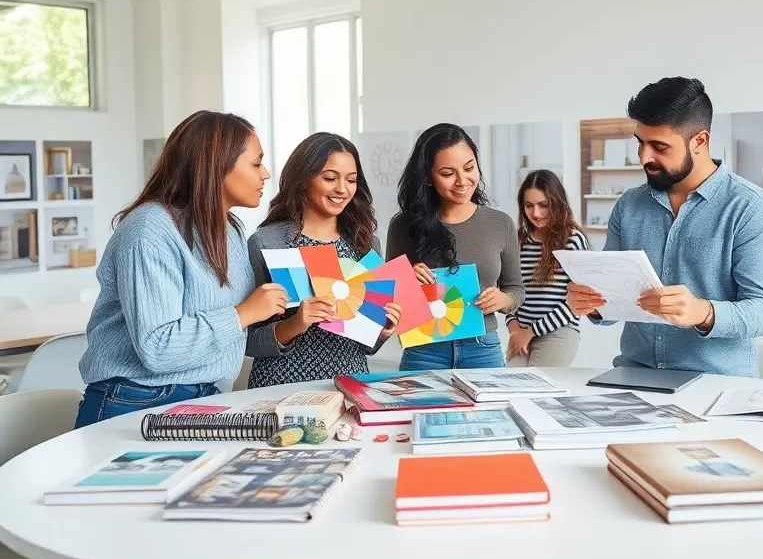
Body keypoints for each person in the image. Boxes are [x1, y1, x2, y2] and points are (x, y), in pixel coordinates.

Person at [75, 110, 289, 430]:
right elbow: (158, 349)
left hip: (205, 399)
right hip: (135, 400)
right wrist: (243, 313)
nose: (266, 174)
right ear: (217, 166)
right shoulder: (149, 229)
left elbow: (234, 333)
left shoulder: (230, 230)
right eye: (256, 164)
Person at [566, 77, 763, 377]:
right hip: (634, 377)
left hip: (716, 384)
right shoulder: (628, 205)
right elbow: (612, 300)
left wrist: (702, 312)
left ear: (700, 141)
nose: (644, 157)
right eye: (641, 143)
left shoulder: (751, 208)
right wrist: (591, 303)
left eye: (659, 146)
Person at [246, 132, 402, 386]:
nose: (342, 189)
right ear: (303, 179)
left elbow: (366, 345)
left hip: (348, 385)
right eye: (330, 178)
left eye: (351, 180)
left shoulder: (365, 244)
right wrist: (295, 323)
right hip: (281, 387)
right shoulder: (267, 242)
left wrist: (384, 331)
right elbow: (246, 340)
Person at [386, 123, 525, 370]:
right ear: (428, 177)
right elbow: (387, 296)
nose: (462, 181)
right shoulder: (403, 225)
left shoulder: (500, 223)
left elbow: (516, 289)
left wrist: (503, 299)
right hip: (424, 349)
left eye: (469, 168)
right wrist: (407, 280)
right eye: (448, 173)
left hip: (482, 348)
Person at [506, 169, 589, 367]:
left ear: (557, 203)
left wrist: (531, 332)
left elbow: (578, 302)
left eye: (544, 205)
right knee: (507, 385)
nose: (536, 213)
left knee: (538, 385)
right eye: (529, 205)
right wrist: (514, 329)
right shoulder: (518, 240)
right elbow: (510, 290)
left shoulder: (573, 240)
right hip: (520, 333)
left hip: (557, 332)